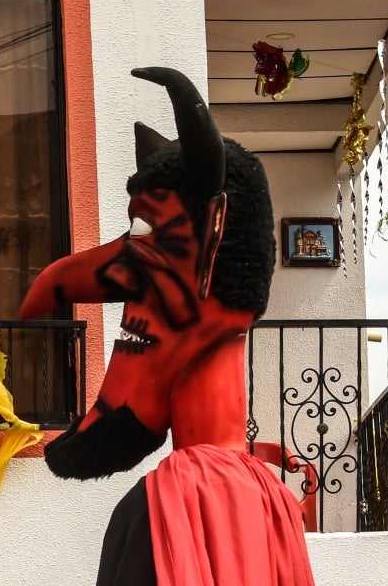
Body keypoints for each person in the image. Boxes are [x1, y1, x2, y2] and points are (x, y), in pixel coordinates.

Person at [19, 68, 315, 585]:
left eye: (149, 231)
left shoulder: (153, 514)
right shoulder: (277, 506)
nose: (113, 272)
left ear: (213, 238)